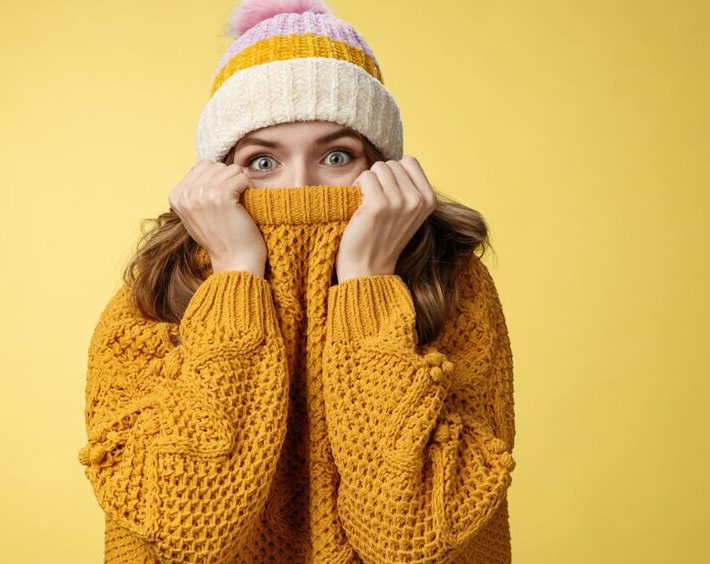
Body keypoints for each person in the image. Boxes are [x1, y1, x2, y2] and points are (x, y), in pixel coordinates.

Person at [77, 1, 517, 563]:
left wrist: (367, 289)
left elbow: (412, 539)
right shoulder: (157, 294)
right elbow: (186, 531)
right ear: (218, 175)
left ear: (382, 168)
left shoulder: (448, 284)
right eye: (263, 162)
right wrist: (235, 277)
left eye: (337, 155)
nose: (300, 186)